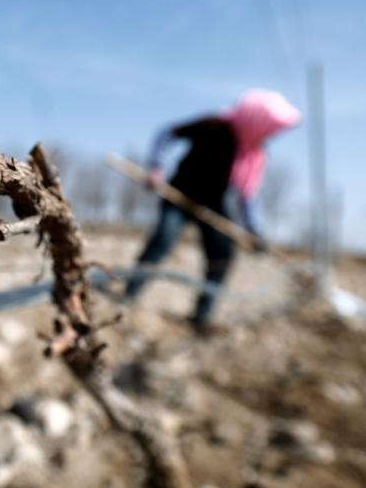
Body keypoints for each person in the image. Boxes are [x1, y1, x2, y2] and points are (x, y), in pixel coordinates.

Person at [124, 89, 301, 335]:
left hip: (212, 204)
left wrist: (254, 231)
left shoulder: (254, 153)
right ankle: (127, 297)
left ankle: (201, 315)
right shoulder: (214, 125)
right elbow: (166, 133)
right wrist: (156, 166)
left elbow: (247, 196)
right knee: (162, 240)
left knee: (222, 254)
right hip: (180, 194)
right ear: (258, 119)